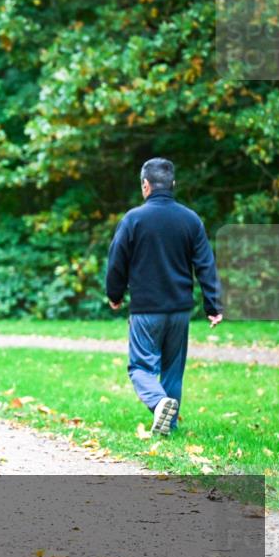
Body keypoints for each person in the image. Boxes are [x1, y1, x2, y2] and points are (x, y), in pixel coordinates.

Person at [106, 157, 223, 437]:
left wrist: (115, 294)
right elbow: (205, 264)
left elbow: (117, 260)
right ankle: (167, 426)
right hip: (180, 310)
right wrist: (213, 304)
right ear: (172, 184)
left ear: (145, 185)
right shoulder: (190, 219)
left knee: (140, 367)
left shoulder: (134, 219)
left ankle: (159, 403)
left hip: (147, 309)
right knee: (172, 370)